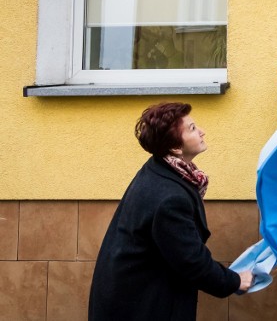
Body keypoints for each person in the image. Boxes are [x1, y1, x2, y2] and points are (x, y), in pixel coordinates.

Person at [89, 102, 253, 321]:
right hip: (141, 307)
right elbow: (191, 260)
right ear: (176, 148)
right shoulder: (169, 198)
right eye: (193, 129)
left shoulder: (160, 168)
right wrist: (234, 281)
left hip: (133, 298)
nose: (202, 131)